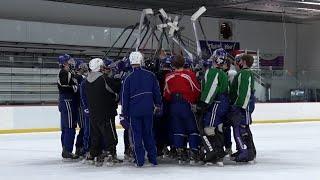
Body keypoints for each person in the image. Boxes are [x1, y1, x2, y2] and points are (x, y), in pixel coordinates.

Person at [121, 51, 162, 167]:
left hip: (134, 111)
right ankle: (153, 159)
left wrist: (124, 114)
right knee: (148, 133)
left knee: (136, 135)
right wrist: (158, 105)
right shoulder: (150, 75)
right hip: (148, 109)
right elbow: (156, 92)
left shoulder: (128, 78)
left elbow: (125, 98)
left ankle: (139, 160)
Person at [163, 55, 201, 165]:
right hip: (186, 104)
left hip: (174, 105)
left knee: (177, 128)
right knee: (192, 128)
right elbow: (197, 89)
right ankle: (194, 152)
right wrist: (193, 100)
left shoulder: (168, 76)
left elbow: (166, 93)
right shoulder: (189, 75)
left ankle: (180, 152)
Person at [84, 58, 121, 166]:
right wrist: (117, 79)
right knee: (110, 134)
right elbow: (115, 88)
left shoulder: (87, 80)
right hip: (106, 112)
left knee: (96, 134)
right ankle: (111, 154)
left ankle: (93, 153)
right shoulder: (103, 79)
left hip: (93, 113)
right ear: (100, 67)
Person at [196, 48, 230, 166]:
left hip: (216, 103)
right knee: (218, 127)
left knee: (208, 128)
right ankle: (219, 152)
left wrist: (203, 104)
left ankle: (213, 154)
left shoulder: (213, 72)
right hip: (222, 104)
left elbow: (211, 89)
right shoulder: (222, 73)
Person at [228, 54, 256, 163]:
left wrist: (239, 106)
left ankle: (245, 151)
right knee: (242, 128)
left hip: (243, 107)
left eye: (239, 61)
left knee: (240, 128)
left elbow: (244, 92)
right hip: (243, 106)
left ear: (243, 62)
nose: (237, 63)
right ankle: (247, 150)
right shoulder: (243, 73)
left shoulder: (245, 74)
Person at [57, 54, 79, 160]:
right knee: (69, 127)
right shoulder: (64, 73)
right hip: (67, 101)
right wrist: (75, 87)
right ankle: (67, 150)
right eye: (69, 61)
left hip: (67, 101)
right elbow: (66, 87)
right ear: (65, 63)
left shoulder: (68, 73)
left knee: (67, 127)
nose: (72, 63)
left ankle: (66, 149)